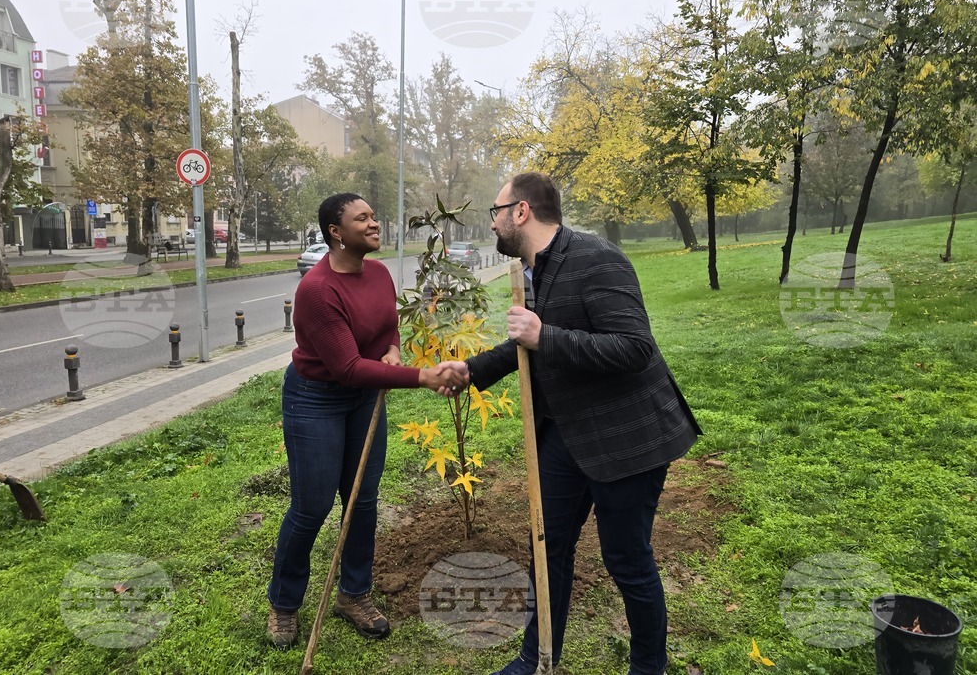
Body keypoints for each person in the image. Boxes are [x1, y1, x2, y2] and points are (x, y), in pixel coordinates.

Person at [445, 172, 700, 675]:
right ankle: (537, 658)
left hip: (626, 439)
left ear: (521, 212)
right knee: (547, 547)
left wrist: (544, 336)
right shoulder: (536, 267)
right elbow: (528, 342)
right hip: (566, 434)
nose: (492, 222)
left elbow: (633, 347)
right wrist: (472, 371)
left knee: (627, 560)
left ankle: (650, 667)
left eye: (495, 211)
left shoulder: (595, 257)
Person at [266, 193, 465, 648]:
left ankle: (353, 595)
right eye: (363, 218)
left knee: (362, 502)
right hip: (316, 399)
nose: (375, 224)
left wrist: (394, 348)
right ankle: (284, 604)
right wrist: (421, 376)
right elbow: (347, 368)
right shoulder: (317, 290)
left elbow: (387, 326)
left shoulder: (377, 273)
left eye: (374, 216)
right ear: (336, 232)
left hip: (364, 400)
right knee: (311, 508)